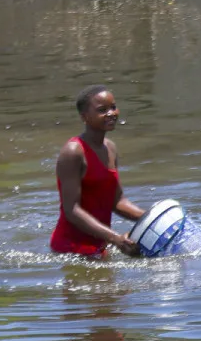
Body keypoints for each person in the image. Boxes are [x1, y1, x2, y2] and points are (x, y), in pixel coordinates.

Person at [51, 85, 147, 257]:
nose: (111, 113)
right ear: (84, 117)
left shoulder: (110, 148)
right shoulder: (73, 151)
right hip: (71, 249)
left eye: (113, 107)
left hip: (101, 246)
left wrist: (152, 218)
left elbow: (117, 201)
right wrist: (115, 238)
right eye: (102, 110)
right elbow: (71, 209)